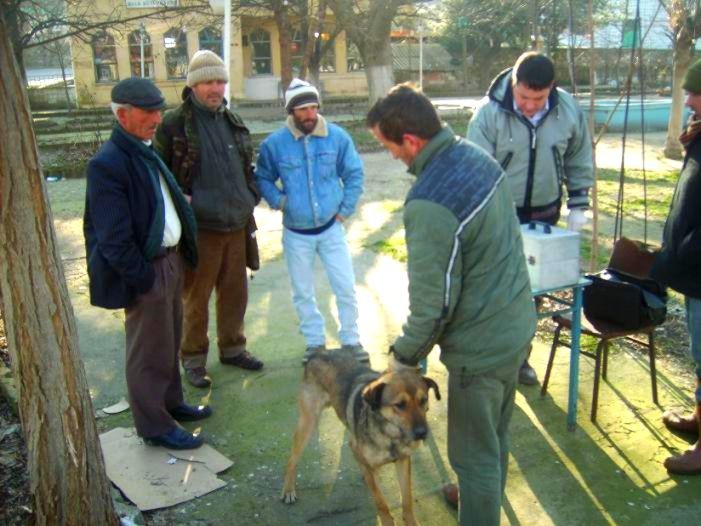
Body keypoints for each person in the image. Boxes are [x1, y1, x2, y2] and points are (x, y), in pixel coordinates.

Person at [367, 83, 537, 525]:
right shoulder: (476, 156)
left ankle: (479, 507)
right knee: (494, 438)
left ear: (411, 140)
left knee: (473, 457)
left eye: (388, 147)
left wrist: (403, 356)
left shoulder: (429, 202)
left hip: (480, 350)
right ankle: (481, 501)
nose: (392, 157)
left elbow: (433, 306)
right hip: (516, 326)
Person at [84, 78, 211, 450]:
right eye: (148, 111)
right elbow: (112, 237)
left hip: (168, 263)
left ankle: (171, 404)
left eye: (159, 109)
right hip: (148, 269)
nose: (157, 118)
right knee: (147, 351)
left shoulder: (143, 151)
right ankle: (154, 426)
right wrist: (143, 279)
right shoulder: (108, 163)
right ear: (122, 114)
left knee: (168, 340)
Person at [467, 51, 594, 385]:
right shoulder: (488, 114)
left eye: (538, 98)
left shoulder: (567, 110)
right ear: (513, 84)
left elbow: (578, 157)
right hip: (499, 218)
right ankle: (491, 357)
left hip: (545, 216)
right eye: (523, 96)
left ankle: (521, 359)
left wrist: (579, 205)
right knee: (494, 291)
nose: (529, 105)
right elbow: (476, 172)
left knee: (531, 294)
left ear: (551, 88)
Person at [155, 50, 264, 388]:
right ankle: (193, 359)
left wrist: (251, 195)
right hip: (199, 229)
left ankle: (233, 348)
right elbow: (156, 173)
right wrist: (181, 200)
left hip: (237, 224)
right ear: (193, 85)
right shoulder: (174, 123)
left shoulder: (232, 120)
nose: (215, 88)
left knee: (235, 293)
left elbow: (247, 167)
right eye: (208, 82)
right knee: (195, 297)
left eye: (220, 80)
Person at [255, 78, 367, 364]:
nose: (309, 114)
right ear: (291, 111)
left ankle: (352, 341)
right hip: (296, 234)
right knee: (303, 292)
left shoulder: (337, 137)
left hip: (332, 228)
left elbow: (354, 173)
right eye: (302, 109)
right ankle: (315, 345)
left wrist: (345, 209)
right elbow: (263, 177)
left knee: (345, 285)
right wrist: (280, 201)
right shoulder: (274, 145)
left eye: (313, 107)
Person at [652, 58, 701, 475]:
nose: (687, 98)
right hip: (693, 270)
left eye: (695, 92)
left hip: (699, 265)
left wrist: (685, 249)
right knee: (700, 354)